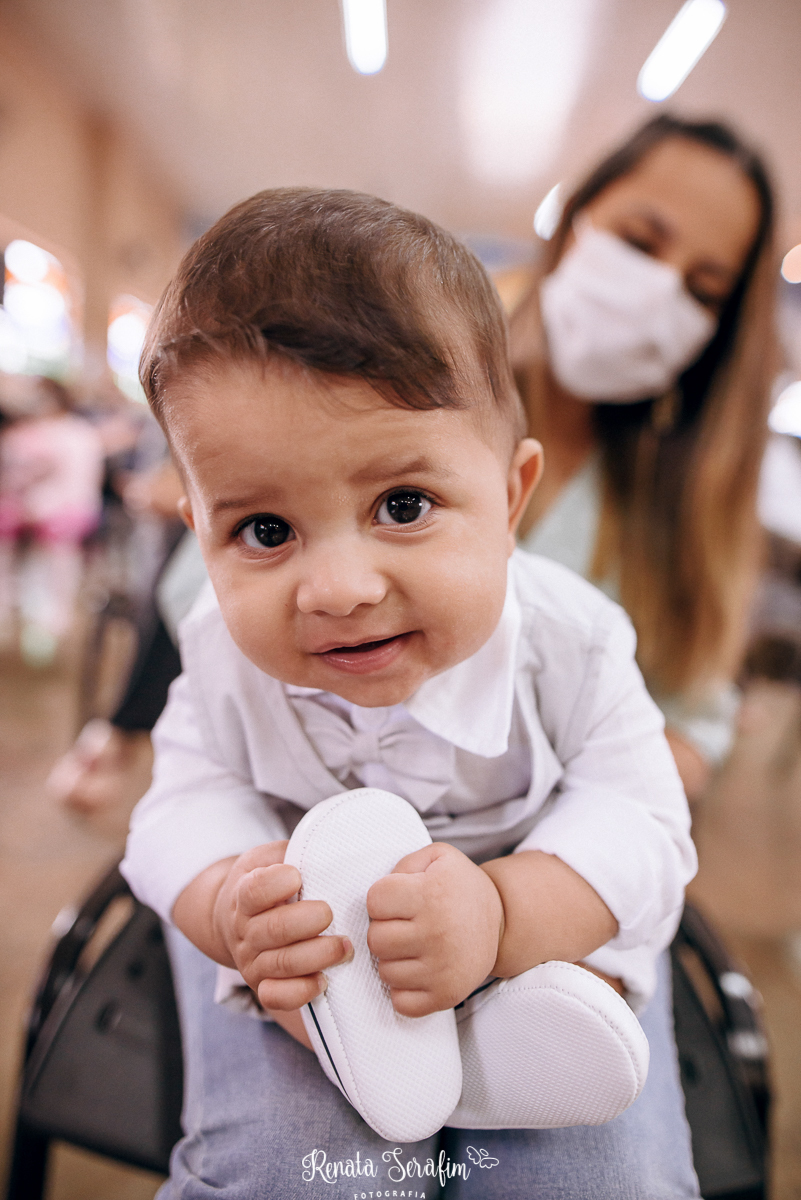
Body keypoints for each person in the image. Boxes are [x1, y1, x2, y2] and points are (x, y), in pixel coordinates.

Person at [121, 188, 698, 1197]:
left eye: (403, 505)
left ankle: (495, 1056)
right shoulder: (219, 656)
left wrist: (505, 915)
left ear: (511, 498)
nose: (339, 589)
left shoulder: (573, 645)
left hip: (542, 938)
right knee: (289, 1172)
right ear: (197, 524)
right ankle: (366, 1057)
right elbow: (178, 805)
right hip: (312, 950)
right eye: (265, 531)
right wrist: (227, 903)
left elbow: (640, 815)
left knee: (603, 1180)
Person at [511, 115, 778, 803]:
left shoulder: (680, 510)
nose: (660, 292)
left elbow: (693, 724)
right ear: (574, 218)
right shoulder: (414, 391)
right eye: (638, 242)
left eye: (703, 291)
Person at [0, 375, 104, 666]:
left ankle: (53, 621)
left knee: (56, 568)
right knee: (39, 567)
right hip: (44, 511)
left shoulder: (68, 433)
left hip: (61, 512)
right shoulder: (42, 432)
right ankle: (31, 615)